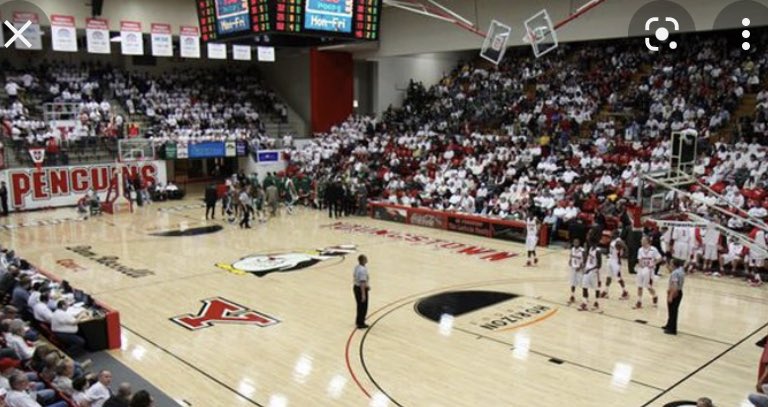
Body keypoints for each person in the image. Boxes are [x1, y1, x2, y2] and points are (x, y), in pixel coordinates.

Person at [634, 236, 661, 309]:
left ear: (647, 241)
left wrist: (654, 263)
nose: (641, 241)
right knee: (639, 285)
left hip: (649, 270)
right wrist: (639, 265)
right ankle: (639, 302)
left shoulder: (653, 249)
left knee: (648, 286)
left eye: (642, 240)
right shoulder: (640, 250)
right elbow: (639, 259)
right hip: (641, 268)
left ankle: (655, 296)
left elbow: (659, 258)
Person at [602, 231, 629, 300]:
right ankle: (606, 291)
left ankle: (625, 292)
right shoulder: (613, 241)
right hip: (611, 259)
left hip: (616, 261)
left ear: (616, 234)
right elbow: (612, 250)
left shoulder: (619, 241)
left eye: (612, 234)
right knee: (608, 277)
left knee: (618, 278)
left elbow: (626, 248)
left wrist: (622, 256)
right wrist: (609, 254)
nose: (611, 235)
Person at [579, 230, 602, 311]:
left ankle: (596, 302)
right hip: (587, 271)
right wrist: (584, 266)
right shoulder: (591, 248)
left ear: (594, 242)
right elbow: (588, 260)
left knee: (596, 288)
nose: (589, 243)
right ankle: (584, 303)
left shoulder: (598, 251)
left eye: (590, 242)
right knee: (584, 286)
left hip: (594, 272)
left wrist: (590, 269)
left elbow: (599, 265)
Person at [663, 258, 686, 335]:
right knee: (672, 310)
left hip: (674, 292)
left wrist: (671, 296)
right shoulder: (680, 270)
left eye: (671, 263)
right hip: (679, 292)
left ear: (673, 264)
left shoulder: (675, 273)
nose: (670, 264)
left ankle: (672, 329)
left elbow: (675, 285)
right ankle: (669, 325)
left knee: (673, 311)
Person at [353, 255, 370, 329]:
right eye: (366, 258)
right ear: (363, 260)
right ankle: (361, 323)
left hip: (356, 287)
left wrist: (367, 285)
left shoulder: (357, 267)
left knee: (359, 306)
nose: (367, 259)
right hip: (360, 289)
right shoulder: (362, 270)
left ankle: (358, 321)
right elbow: (362, 282)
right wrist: (363, 294)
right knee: (363, 307)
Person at [567, 238, 584, 305]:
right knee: (572, 283)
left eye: (577, 242)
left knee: (582, 284)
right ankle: (572, 296)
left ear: (579, 243)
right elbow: (571, 256)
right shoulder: (572, 249)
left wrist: (580, 267)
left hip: (580, 269)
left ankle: (585, 298)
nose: (575, 243)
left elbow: (585, 261)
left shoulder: (582, 250)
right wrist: (570, 260)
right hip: (573, 268)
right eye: (574, 242)